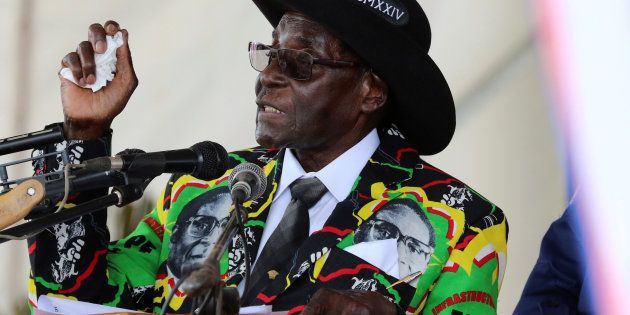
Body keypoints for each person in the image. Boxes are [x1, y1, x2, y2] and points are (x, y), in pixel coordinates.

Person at [28, 1, 508, 314]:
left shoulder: (460, 221)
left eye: (300, 62)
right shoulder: (201, 188)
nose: (269, 77)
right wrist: (84, 135)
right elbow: (74, 298)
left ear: (371, 90)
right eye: (269, 54)